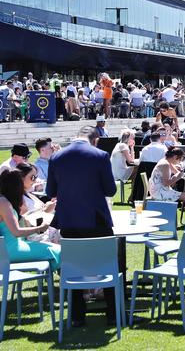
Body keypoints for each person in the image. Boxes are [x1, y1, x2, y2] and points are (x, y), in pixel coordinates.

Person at [46, 125, 117, 327]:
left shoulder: (56, 157)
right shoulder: (100, 155)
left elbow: (51, 189)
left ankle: (77, 315)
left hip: (68, 219)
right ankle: (112, 313)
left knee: (73, 265)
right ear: (95, 140)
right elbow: (110, 190)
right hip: (95, 218)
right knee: (108, 262)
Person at [0, 170, 60, 270]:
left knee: (55, 248)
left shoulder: (3, 200)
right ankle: (68, 281)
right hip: (12, 249)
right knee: (57, 250)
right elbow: (16, 232)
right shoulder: (3, 202)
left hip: (16, 245)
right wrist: (39, 228)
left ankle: (65, 279)